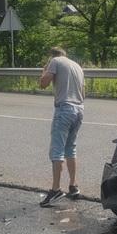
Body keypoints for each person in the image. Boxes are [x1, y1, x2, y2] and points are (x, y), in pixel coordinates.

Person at [38, 47, 84, 207]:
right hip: (79, 109)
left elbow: (43, 84)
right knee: (70, 147)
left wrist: (44, 71)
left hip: (64, 109)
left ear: (52, 56)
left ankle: (56, 189)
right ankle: (73, 186)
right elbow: (82, 93)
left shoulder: (55, 62)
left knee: (56, 150)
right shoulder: (77, 66)